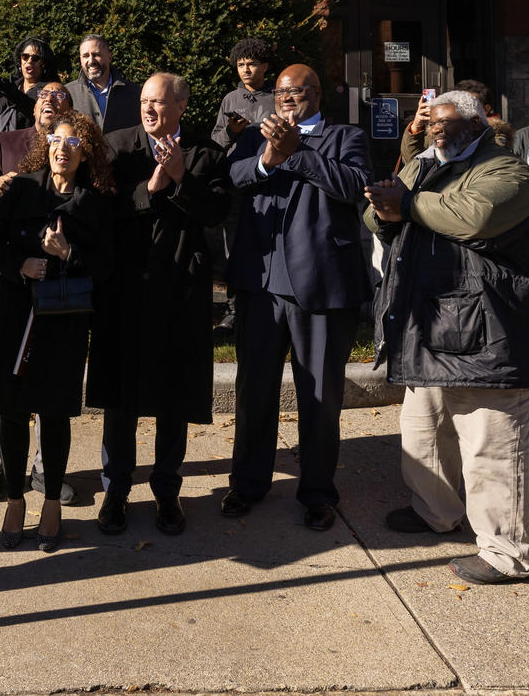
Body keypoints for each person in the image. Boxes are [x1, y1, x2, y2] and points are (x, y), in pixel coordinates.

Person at [365, 89, 529, 585]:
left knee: (491, 443)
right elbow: (379, 212)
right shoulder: (425, 165)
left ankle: (507, 554)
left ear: (478, 126)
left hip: (488, 331)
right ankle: (437, 513)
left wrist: (406, 203)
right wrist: (386, 208)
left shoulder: (506, 172)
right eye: (431, 125)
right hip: (429, 327)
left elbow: (475, 218)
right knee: (423, 432)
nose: (436, 131)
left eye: (447, 124)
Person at [221, 65, 371, 531]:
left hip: (321, 290)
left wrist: (298, 153)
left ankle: (318, 493)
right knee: (255, 393)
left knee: (320, 397)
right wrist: (268, 156)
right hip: (261, 288)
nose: (286, 98)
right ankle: (248, 484)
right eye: (281, 91)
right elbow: (231, 178)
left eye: (297, 90)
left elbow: (355, 188)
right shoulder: (253, 137)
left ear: (316, 93)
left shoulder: (346, 136)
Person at [0, 110, 114, 552]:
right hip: (13, 315)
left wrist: (69, 255)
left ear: (85, 152)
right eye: (55, 140)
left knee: (53, 412)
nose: (61, 148)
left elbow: (107, 267)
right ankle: (15, 499)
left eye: (71, 142)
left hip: (61, 323)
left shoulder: (95, 202)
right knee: (10, 410)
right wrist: (21, 264)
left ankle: (51, 503)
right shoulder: (23, 187)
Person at [88, 73, 230, 535]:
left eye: (159, 102)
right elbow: (100, 210)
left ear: (182, 106)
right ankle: (116, 489)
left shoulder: (206, 153)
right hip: (126, 290)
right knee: (122, 397)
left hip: (180, 291)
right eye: (145, 101)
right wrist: (150, 187)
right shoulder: (116, 147)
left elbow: (217, 213)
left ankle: (167, 491)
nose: (149, 110)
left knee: (174, 394)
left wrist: (181, 178)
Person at [0, 81, 79, 504]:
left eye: (60, 95)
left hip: (57, 294)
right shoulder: (5, 143)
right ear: (33, 106)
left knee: (51, 380)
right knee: (0, 377)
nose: (50, 100)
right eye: (43, 95)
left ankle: (46, 470)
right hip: (9, 284)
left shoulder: (81, 158)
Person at [210, 38, 277, 334]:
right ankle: (234, 309)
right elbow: (215, 144)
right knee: (232, 247)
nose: (245, 69)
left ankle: (269, 304)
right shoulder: (230, 99)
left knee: (269, 244)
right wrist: (230, 131)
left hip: (269, 184)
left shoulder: (277, 98)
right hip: (236, 183)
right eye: (240, 64)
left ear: (265, 66)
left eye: (251, 63)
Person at [0, 6, 60, 133]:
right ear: (20, 61)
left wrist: (13, 95)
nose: (29, 61)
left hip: (25, 151)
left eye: (35, 58)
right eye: (25, 56)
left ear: (44, 64)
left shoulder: (48, 93)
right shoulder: (5, 86)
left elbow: (34, 110)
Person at [65, 33, 142, 133]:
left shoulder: (134, 93)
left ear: (109, 57)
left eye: (96, 55)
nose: (91, 61)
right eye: (85, 56)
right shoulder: (68, 93)